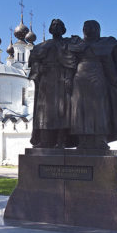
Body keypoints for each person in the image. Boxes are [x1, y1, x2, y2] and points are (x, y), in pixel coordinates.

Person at [70, 20, 117, 149]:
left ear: (97, 30)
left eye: (91, 27)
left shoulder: (104, 44)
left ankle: (100, 139)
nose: (88, 30)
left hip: (96, 77)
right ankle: (83, 140)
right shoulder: (77, 44)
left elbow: (109, 64)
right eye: (86, 27)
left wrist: (115, 80)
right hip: (80, 80)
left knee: (99, 108)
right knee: (80, 109)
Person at [28, 19, 79, 148]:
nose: (56, 28)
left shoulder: (67, 44)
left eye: (59, 26)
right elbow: (34, 64)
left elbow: (73, 61)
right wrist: (39, 69)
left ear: (63, 29)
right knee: (44, 112)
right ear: (50, 29)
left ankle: (61, 141)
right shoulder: (42, 46)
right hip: (46, 81)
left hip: (62, 79)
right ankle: (45, 141)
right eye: (53, 25)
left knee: (63, 110)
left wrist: (68, 78)